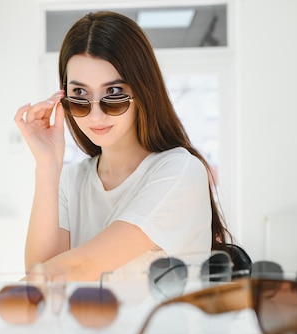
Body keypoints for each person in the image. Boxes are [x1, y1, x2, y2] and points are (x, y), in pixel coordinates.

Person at [14, 11, 231, 281]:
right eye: (80, 94)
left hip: (161, 325)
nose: (95, 115)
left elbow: (81, 267)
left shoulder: (179, 171)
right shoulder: (69, 181)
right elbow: (40, 280)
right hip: (81, 324)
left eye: (113, 94)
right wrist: (47, 165)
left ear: (142, 90)